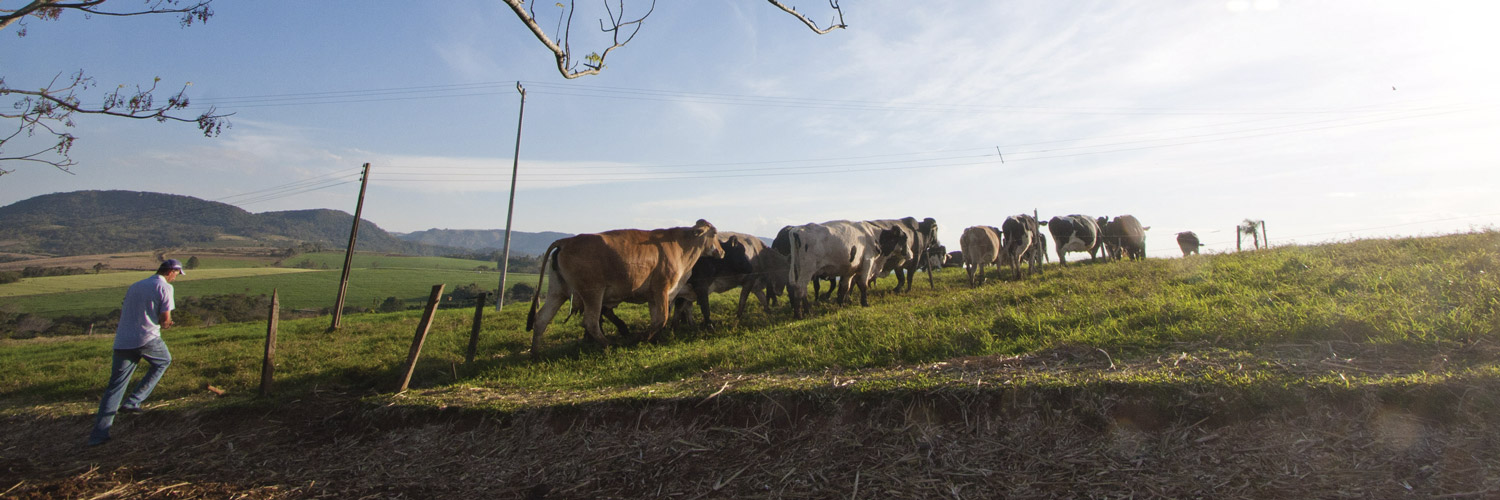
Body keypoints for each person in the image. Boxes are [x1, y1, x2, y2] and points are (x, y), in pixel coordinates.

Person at [87, 259, 185, 446]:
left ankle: (98, 435)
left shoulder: (136, 285)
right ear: (171, 271)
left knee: (115, 386)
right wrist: (168, 324)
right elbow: (165, 319)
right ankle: (134, 401)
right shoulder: (165, 287)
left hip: (123, 340)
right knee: (163, 361)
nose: (176, 278)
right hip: (146, 337)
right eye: (177, 274)